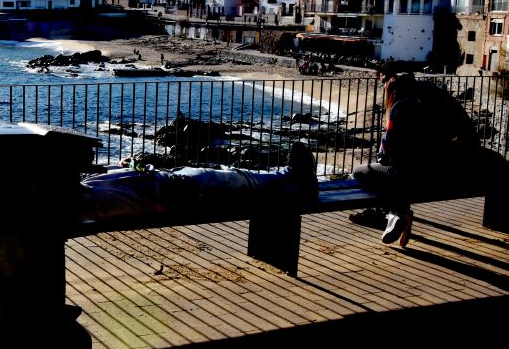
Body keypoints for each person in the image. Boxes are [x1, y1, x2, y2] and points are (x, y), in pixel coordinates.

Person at [350, 73, 487, 246]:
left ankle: (397, 212)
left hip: (407, 174)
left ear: (392, 91)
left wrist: (383, 156)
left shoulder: (399, 108)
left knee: (360, 172)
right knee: (398, 178)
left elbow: (388, 149)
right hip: (433, 175)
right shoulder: (428, 109)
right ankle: (395, 212)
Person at [79, 142, 318, 222]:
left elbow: (118, 184)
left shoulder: (85, 186)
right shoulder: (83, 195)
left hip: (171, 181)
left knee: (235, 177)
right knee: (239, 179)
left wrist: (123, 166)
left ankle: (291, 180)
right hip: (178, 189)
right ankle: (293, 177)